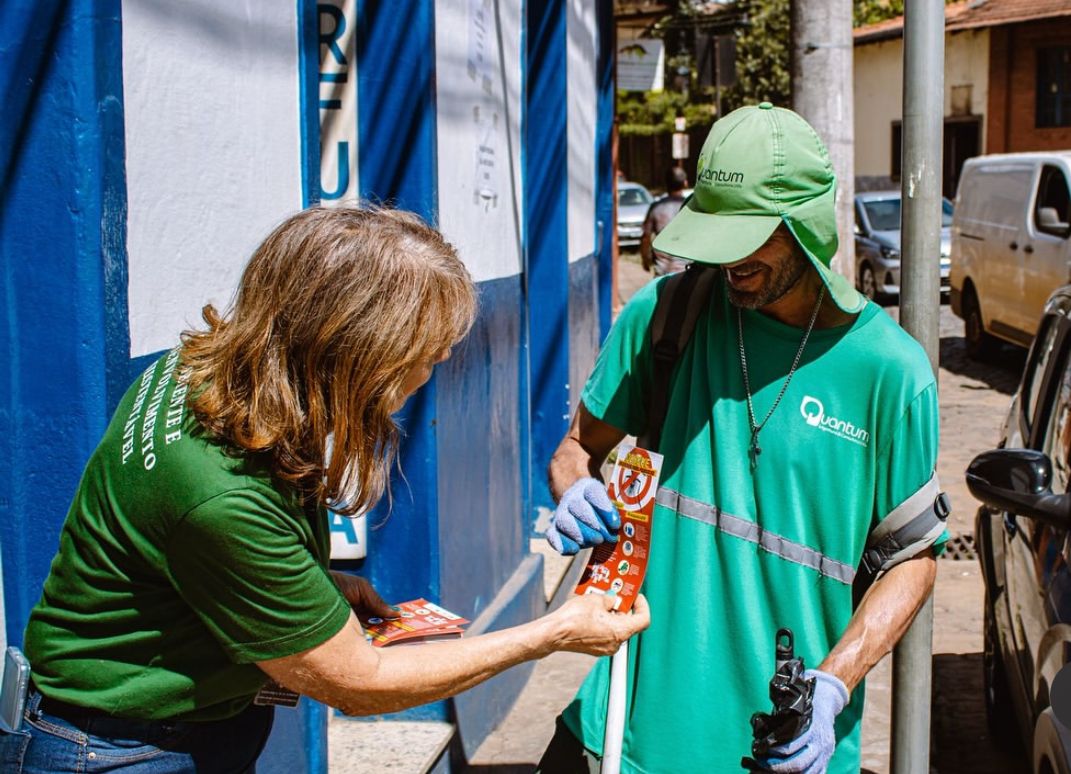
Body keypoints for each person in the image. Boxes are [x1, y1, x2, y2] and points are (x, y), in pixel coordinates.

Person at [0, 207, 649, 773]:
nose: (435, 365)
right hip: (125, 750)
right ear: (346, 352)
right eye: (420, 352)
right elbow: (358, 684)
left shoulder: (196, 373)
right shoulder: (219, 497)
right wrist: (555, 631)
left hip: (170, 730)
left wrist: (312, 585)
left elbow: (174, 563)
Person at [539, 104, 948, 773]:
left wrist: (836, 681)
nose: (726, 260)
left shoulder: (890, 373)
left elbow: (912, 558)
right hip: (617, 733)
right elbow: (575, 447)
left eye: (749, 237)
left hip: (779, 748)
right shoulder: (665, 315)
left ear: (808, 226)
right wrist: (574, 486)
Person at [639, 166, 690, 276]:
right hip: (687, 272)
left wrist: (645, 259)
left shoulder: (656, 207)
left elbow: (645, 238)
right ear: (685, 183)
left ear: (666, 184)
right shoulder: (690, 208)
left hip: (662, 273)